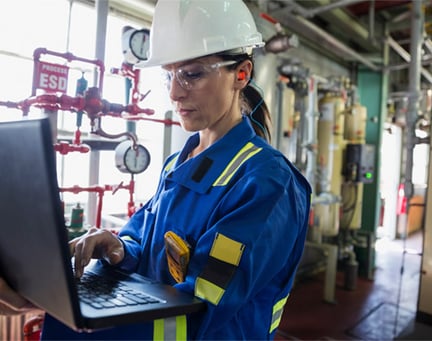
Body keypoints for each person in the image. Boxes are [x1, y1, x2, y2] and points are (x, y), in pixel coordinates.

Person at [41, 0, 312, 339]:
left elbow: (202, 305)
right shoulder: (177, 164)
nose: (173, 92)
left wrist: (77, 313)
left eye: (192, 74)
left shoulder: (267, 183)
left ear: (241, 74)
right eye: (168, 74)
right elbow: (143, 240)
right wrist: (118, 249)